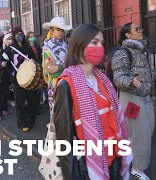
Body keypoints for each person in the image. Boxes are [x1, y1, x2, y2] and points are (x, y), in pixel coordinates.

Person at [54, 24, 131, 180]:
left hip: (114, 161)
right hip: (88, 168)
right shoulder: (66, 86)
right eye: (94, 42)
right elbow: (64, 143)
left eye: (102, 43)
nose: (100, 47)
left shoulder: (103, 81)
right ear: (80, 45)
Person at [111, 22, 156, 180]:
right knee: (140, 135)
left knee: (146, 131)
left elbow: (149, 74)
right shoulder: (122, 53)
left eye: (140, 28)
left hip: (145, 97)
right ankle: (137, 168)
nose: (141, 30)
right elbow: (118, 77)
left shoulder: (142, 52)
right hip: (131, 99)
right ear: (128, 35)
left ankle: (128, 158)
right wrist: (130, 81)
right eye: (137, 29)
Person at [10, 27, 39, 132]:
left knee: (32, 100)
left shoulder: (27, 47)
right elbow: (3, 60)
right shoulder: (11, 48)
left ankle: (30, 120)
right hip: (17, 79)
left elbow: (34, 60)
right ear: (14, 36)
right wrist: (2, 64)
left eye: (21, 33)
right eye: (17, 34)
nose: (20, 36)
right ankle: (22, 122)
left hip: (28, 78)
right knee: (20, 102)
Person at [42, 16, 71, 118]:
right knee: (56, 113)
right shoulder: (47, 49)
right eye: (58, 30)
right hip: (55, 84)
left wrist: (60, 67)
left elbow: (70, 65)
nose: (61, 32)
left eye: (62, 30)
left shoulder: (66, 47)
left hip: (67, 82)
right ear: (52, 31)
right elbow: (50, 70)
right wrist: (62, 68)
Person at [3, 33, 15, 107]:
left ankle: (13, 99)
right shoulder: (4, 50)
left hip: (14, 70)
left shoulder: (15, 49)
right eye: (8, 39)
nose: (10, 41)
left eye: (11, 39)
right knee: (9, 86)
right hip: (7, 71)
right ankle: (10, 99)